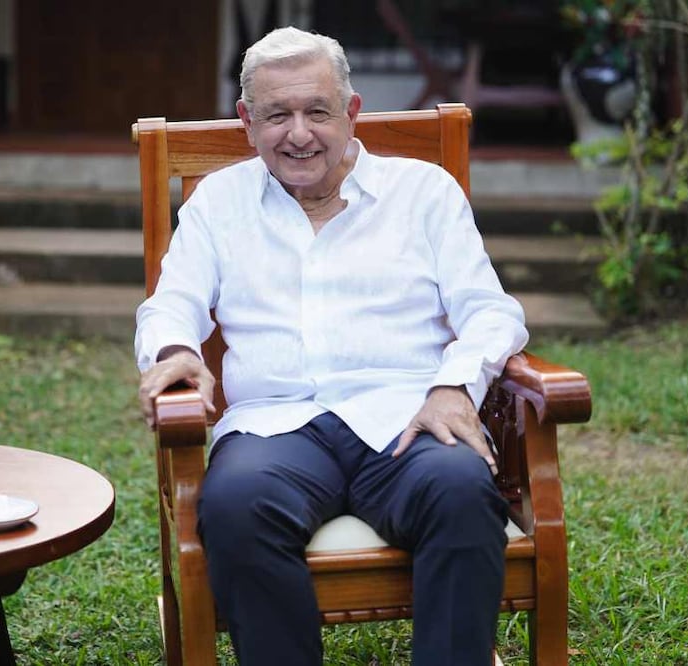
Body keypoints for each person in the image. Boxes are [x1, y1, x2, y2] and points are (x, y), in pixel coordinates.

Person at [134, 26, 528, 666]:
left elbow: (490, 310)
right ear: (245, 121)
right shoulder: (218, 204)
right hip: (274, 429)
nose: (298, 133)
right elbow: (170, 302)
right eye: (276, 115)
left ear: (351, 111)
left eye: (317, 111)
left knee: (460, 489)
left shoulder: (422, 192)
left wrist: (455, 386)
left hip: (405, 419)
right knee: (235, 506)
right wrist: (176, 350)